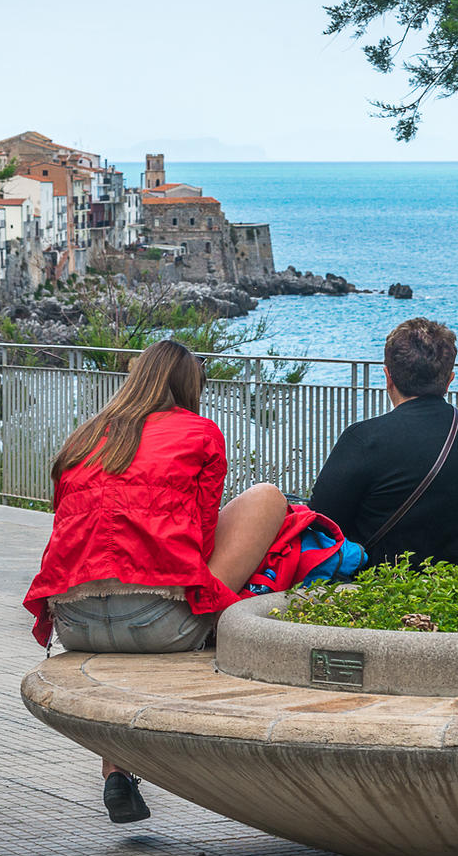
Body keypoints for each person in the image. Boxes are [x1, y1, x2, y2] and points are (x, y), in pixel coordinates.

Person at [24, 339, 287, 824]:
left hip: (76, 622)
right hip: (157, 622)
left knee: (119, 592)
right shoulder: (200, 433)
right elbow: (202, 538)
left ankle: (116, 772)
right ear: (191, 387)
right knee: (268, 498)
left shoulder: (85, 437)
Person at [308, 318, 458, 570]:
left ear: (388, 376)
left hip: (385, 594)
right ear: (449, 380)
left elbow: (323, 525)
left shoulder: (364, 439)